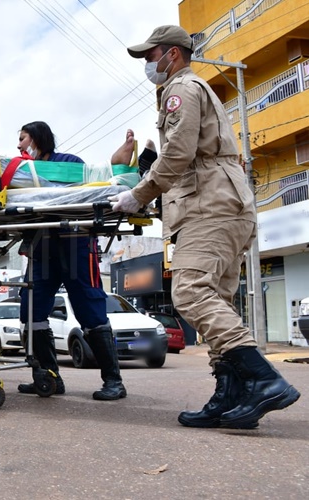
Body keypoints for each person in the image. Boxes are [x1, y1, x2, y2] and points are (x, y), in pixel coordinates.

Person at [113, 25, 300, 428]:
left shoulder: (182, 89)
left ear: (173, 55)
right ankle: (231, 396)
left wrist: (139, 194)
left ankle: (265, 380)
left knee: (190, 291)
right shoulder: (189, 88)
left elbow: (179, 153)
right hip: (224, 205)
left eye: (151, 56)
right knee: (216, 297)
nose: (148, 64)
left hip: (210, 207)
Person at [15, 121, 126, 401]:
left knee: (89, 310)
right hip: (42, 249)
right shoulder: (21, 172)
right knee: (31, 311)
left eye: (23, 138)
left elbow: (88, 192)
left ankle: (113, 381)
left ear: (38, 138)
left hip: (75, 244)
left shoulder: (69, 163)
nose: (19, 145)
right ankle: (49, 377)